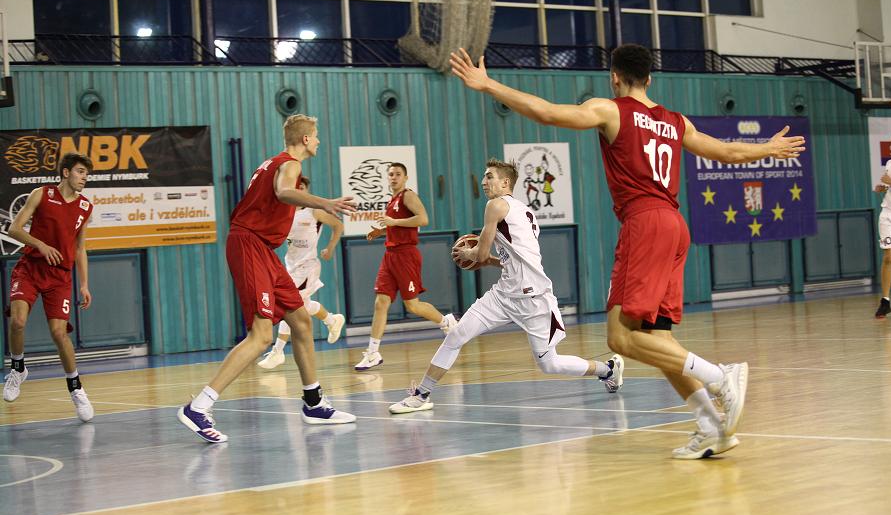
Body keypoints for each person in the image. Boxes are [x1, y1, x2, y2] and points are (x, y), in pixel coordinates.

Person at [449, 43, 806, 459]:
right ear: (650, 78)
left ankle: (720, 375)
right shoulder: (675, 121)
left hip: (645, 223)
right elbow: (725, 151)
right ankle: (712, 426)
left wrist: (489, 85)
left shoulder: (611, 110)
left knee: (619, 337)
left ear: (614, 77)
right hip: (675, 226)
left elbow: (547, 112)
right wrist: (767, 149)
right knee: (657, 338)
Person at [389, 158, 623, 414]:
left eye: (489, 176)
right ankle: (421, 394)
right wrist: (485, 257)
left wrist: (469, 255)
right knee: (456, 335)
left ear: (505, 182)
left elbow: (480, 254)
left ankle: (608, 370)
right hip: (503, 295)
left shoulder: (495, 205)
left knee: (550, 364)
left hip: (533, 298)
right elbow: (509, 259)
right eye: (484, 176)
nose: (483, 182)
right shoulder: (526, 212)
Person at [177, 114, 357, 443]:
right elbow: (284, 192)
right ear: (306, 139)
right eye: (316, 135)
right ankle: (198, 406)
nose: (318, 141)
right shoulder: (289, 164)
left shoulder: (272, 163)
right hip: (249, 245)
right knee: (261, 336)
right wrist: (325, 203)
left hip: (263, 250)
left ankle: (314, 402)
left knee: (301, 322)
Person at [3, 152, 95, 421]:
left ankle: (76, 388)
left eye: (87, 174)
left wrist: (85, 285)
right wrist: (41, 245)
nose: (84, 178)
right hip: (30, 268)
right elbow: (14, 229)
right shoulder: (41, 194)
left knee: (58, 333)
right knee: (17, 322)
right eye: (80, 172)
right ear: (66, 172)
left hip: (60, 277)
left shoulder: (85, 207)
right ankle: (18, 368)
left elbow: (80, 248)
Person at [354, 162, 457, 371]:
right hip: (390, 255)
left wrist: (393, 223)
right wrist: (382, 231)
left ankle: (446, 322)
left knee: (413, 305)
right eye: (391, 174)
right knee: (380, 303)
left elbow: (423, 219)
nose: (393, 177)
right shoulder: (391, 200)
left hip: (406, 255)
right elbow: (397, 225)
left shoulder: (407, 196)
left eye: (398, 174)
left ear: (406, 177)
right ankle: (372, 353)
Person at [258, 174, 346, 368]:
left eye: (302, 188)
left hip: (308, 267)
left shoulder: (314, 211)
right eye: (296, 188)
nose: (299, 191)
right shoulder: (284, 213)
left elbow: (338, 225)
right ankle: (332, 320)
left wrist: (330, 248)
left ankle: (278, 351)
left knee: (288, 305)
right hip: (290, 265)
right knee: (303, 305)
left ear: (306, 191)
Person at [874, 131, 891, 318]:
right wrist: (883, 187)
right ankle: (885, 301)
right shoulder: (890, 163)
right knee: (888, 256)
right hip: (888, 215)